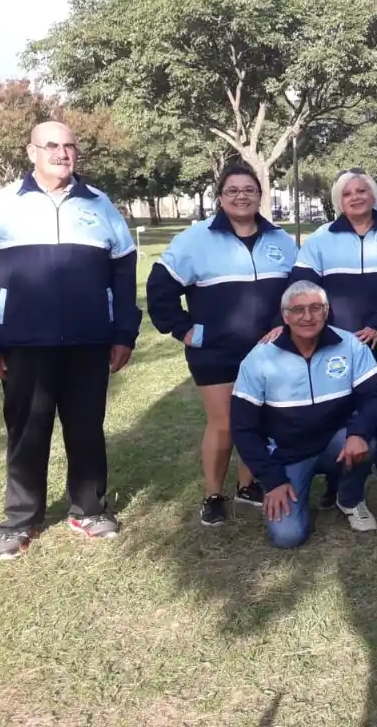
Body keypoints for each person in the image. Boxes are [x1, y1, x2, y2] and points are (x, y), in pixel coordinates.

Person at [0, 121, 139, 560]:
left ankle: (89, 509)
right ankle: (20, 521)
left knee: (85, 428)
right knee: (27, 432)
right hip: (24, 343)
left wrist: (123, 333)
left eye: (69, 146)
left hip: (88, 342)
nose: (62, 153)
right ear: (32, 152)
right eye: (52, 146)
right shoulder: (1, 204)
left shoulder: (100, 205)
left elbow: (123, 273)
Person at [147, 163, 297, 527]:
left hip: (268, 350)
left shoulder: (280, 240)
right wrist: (186, 331)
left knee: (258, 420)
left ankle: (247, 487)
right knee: (226, 423)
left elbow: (297, 291)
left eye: (249, 190)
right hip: (215, 351)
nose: (241, 196)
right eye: (233, 190)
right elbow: (159, 288)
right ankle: (213, 494)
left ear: (260, 196)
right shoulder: (195, 239)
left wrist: (284, 327)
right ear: (220, 197)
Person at [286, 168, 377, 505]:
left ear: (373, 196)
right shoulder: (320, 238)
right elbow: (302, 288)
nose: (355, 197)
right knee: (338, 412)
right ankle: (337, 480)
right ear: (338, 201)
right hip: (334, 344)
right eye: (347, 193)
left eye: (362, 191)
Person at [230, 281, 377, 548]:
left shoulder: (349, 345)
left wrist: (358, 433)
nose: (308, 316)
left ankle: (348, 499)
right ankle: (293, 488)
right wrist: (272, 480)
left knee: (367, 443)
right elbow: (243, 427)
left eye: (316, 308)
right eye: (298, 309)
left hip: (334, 443)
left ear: (326, 311)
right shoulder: (259, 358)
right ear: (285, 315)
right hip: (287, 454)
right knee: (287, 537)